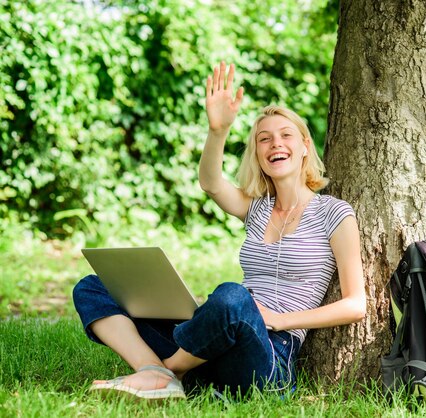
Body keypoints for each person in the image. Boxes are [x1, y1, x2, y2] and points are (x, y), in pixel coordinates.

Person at [72, 62, 366, 400]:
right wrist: (218, 130)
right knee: (96, 287)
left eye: (286, 135)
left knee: (233, 297)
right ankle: (153, 371)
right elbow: (210, 183)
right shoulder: (257, 208)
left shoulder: (334, 213)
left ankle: (167, 372)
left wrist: (280, 320)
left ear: (304, 146)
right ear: (257, 153)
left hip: (268, 355)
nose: (275, 144)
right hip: (218, 342)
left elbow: (356, 305)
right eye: (264, 139)